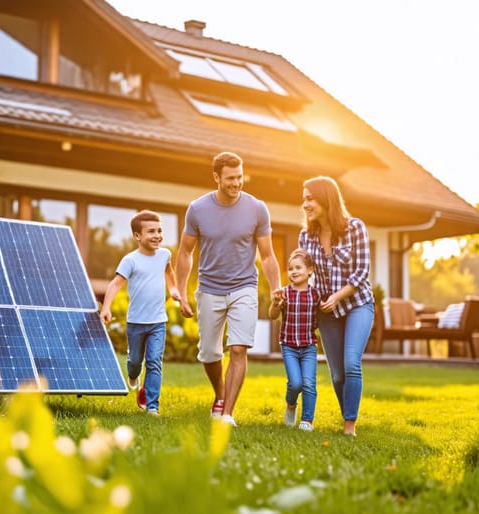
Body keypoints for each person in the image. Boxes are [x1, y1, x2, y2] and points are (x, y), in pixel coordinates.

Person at [176, 151, 283, 427]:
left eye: (240, 177)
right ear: (216, 178)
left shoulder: (257, 208)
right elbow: (185, 252)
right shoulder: (197, 209)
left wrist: (276, 289)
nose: (237, 183)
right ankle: (220, 394)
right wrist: (181, 292)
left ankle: (227, 414)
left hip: (244, 285)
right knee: (210, 353)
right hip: (209, 288)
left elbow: (268, 255)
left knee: (238, 349)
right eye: (231, 178)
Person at [299, 176, 374, 437]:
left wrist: (338, 296)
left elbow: (362, 271)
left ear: (326, 199)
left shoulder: (355, 228)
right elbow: (303, 274)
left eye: (310, 198)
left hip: (357, 304)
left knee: (352, 362)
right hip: (326, 311)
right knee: (338, 373)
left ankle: (349, 427)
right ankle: (347, 414)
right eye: (304, 198)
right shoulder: (306, 237)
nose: (305, 204)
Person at [101, 210, 180, 416]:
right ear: (137, 236)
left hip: (158, 322)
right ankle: (133, 375)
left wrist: (173, 289)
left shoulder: (165, 255)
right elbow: (116, 283)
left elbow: (169, 272)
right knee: (135, 361)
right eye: (151, 231)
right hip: (136, 322)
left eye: (159, 230)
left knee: (154, 361)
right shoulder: (130, 260)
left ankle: (152, 405)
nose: (157, 235)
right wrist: (106, 307)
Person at [269, 249, 321, 432]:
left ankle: (307, 420)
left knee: (309, 383)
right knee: (296, 383)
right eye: (291, 268)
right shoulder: (284, 293)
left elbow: (320, 317)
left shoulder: (316, 295)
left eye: (298, 267)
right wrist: (275, 303)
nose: (294, 271)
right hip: (289, 346)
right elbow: (273, 315)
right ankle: (291, 404)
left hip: (308, 346)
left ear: (310, 270)